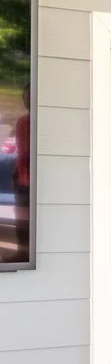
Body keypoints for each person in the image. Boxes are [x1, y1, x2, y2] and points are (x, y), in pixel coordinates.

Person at [12, 82, 30, 257]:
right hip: (21, 181)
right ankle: (21, 253)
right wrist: (16, 175)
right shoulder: (21, 122)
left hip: (36, 183)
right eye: (25, 96)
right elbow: (20, 151)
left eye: (30, 95)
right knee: (21, 220)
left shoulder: (43, 122)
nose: (27, 98)